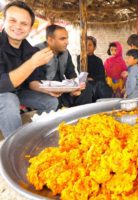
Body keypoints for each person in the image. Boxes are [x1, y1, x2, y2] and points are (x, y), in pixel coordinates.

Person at [0, 1, 58, 137]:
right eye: (13, 20)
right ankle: (15, 146)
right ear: (4, 21)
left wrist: (49, 89)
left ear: (30, 27)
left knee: (51, 101)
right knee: (9, 100)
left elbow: (32, 82)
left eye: (24, 23)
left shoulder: (30, 50)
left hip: (18, 92)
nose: (18, 27)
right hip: (3, 94)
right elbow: (2, 85)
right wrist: (32, 63)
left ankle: (34, 135)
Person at [30, 24, 93, 108]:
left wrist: (75, 87)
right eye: (62, 39)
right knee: (53, 99)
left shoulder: (66, 53)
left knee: (87, 88)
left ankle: (80, 117)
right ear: (50, 39)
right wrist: (50, 90)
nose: (67, 42)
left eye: (67, 38)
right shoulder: (37, 52)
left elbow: (71, 74)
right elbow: (33, 82)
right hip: (43, 91)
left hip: (62, 90)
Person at [77, 36, 112, 101]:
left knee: (101, 86)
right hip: (85, 84)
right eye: (85, 45)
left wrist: (92, 78)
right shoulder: (80, 58)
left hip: (97, 83)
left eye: (90, 45)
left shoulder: (98, 60)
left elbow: (102, 76)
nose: (87, 47)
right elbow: (80, 72)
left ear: (94, 47)